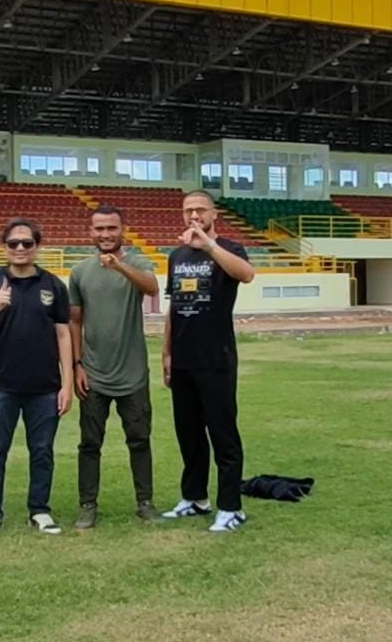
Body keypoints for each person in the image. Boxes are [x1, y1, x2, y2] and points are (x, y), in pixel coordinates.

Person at [0, 218, 74, 539]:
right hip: (0, 385)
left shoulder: (53, 285)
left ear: (36, 247)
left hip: (44, 387)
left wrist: (67, 383)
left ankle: (40, 510)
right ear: (4, 247)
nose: (19, 249)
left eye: (26, 244)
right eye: (13, 243)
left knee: (42, 451)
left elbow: (63, 335)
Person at [162, 190, 255, 533]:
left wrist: (208, 246)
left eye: (200, 209)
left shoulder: (228, 249)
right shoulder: (177, 256)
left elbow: (247, 275)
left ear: (214, 213)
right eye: (188, 210)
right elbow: (174, 306)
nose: (194, 215)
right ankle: (195, 498)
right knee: (188, 433)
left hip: (216, 358)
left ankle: (231, 507)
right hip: (184, 359)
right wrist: (167, 353)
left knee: (223, 433)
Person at [68, 205, 163, 529]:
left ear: (122, 230)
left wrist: (119, 266)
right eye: (99, 229)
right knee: (89, 443)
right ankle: (87, 505)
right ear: (90, 232)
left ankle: (145, 502)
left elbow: (151, 289)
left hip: (133, 372)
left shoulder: (136, 262)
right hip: (93, 373)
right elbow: (75, 321)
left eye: (111, 228)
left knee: (139, 439)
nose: (105, 234)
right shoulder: (80, 272)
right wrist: (77, 365)